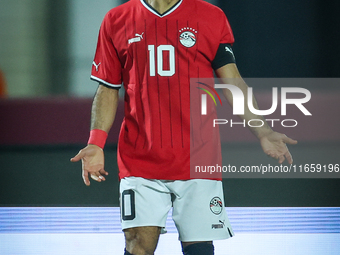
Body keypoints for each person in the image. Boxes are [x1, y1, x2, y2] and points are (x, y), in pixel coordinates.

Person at [71, 0, 297, 254]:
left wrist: (262, 129)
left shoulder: (211, 16)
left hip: (198, 158)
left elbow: (233, 80)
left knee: (199, 248)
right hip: (140, 159)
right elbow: (107, 87)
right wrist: (96, 142)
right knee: (137, 243)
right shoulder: (116, 19)